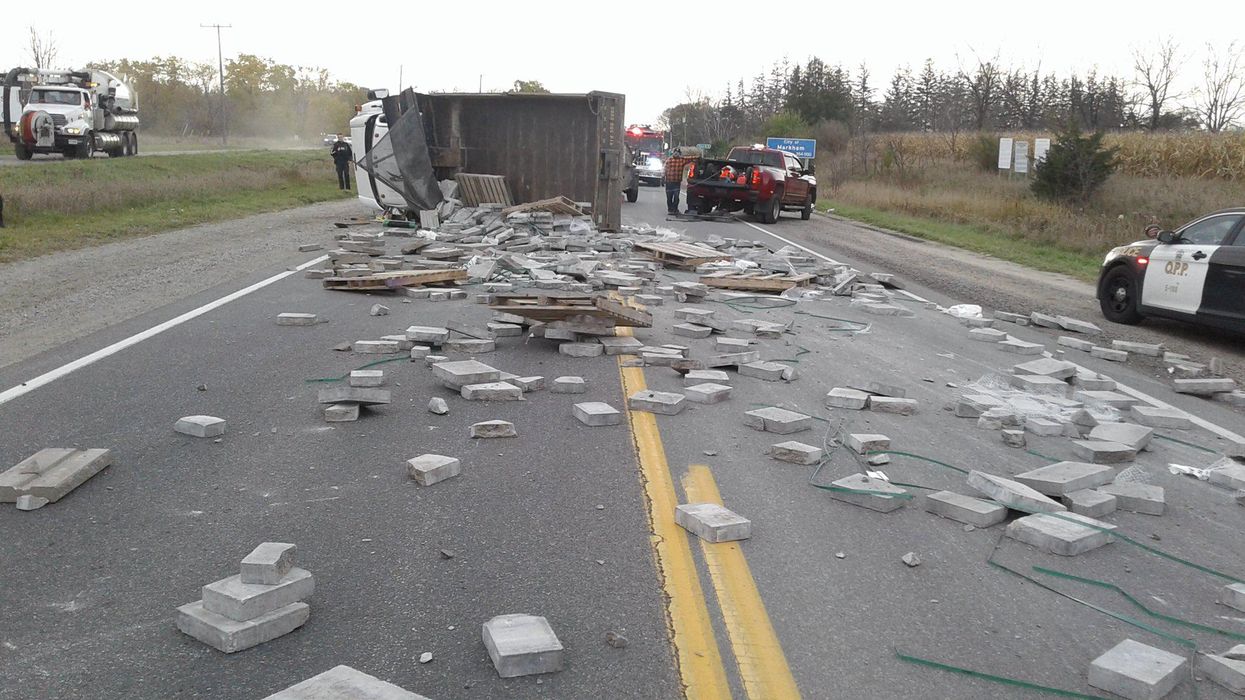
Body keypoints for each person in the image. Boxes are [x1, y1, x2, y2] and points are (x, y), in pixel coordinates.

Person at [663, 146, 699, 214]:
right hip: (669, 182)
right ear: (673, 153)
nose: (676, 154)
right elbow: (665, 169)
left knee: (676, 197)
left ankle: (675, 209)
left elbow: (690, 159)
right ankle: (670, 210)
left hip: (676, 182)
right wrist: (663, 176)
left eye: (678, 153)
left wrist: (698, 157)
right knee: (669, 197)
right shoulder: (669, 160)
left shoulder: (682, 160)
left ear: (680, 154)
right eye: (675, 152)